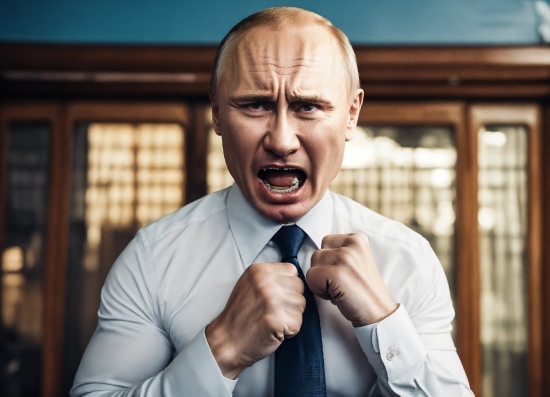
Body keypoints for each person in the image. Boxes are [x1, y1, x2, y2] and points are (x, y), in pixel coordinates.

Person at [71, 7, 473, 397]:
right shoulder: (153, 259)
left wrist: (383, 322)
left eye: (308, 106)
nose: (281, 140)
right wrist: (222, 348)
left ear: (351, 114)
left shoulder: (409, 260)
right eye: (255, 105)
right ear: (216, 113)